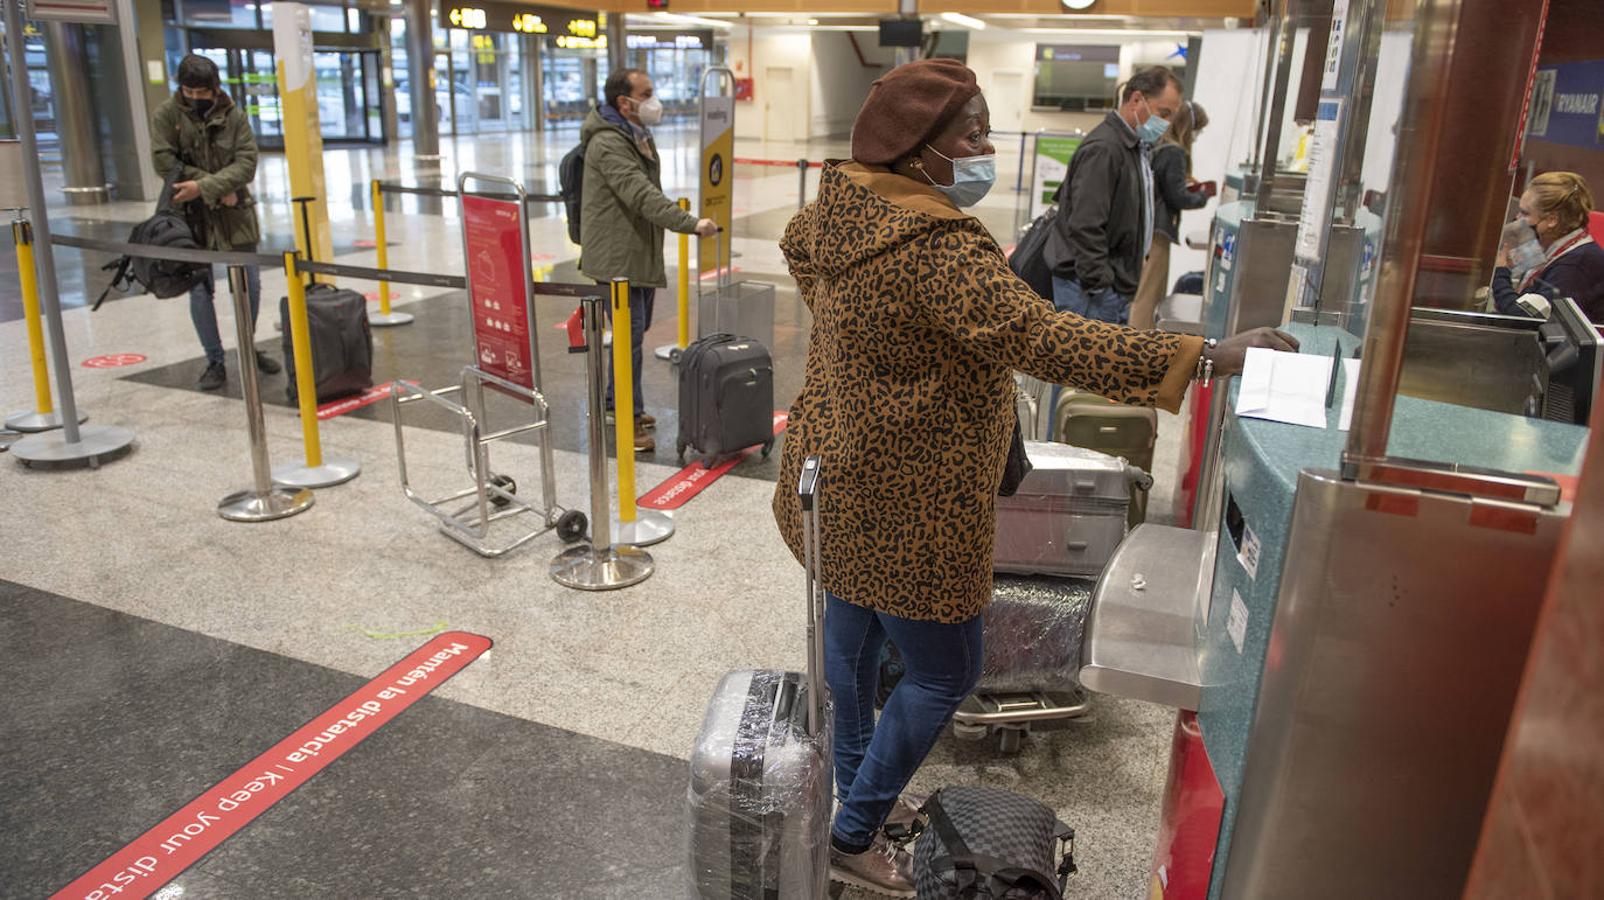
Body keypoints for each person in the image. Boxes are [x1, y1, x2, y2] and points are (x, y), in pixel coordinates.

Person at [772, 59, 1296, 897]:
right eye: (969, 136)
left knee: (856, 647)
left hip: (837, 476)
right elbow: (1049, 338)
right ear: (917, 152)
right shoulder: (936, 248)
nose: (983, 148)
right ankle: (854, 828)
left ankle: (858, 799)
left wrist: (888, 357)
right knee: (945, 671)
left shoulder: (833, 212)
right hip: (913, 496)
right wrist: (1208, 357)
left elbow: (809, 267)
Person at [579, 68, 719, 453]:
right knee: (628, 340)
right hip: (615, 259)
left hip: (633, 252)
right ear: (624, 102)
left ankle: (616, 404)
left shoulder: (635, 135)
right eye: (647, 93)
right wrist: (690, 223)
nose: (654, 100)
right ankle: (626, 417)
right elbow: (641, 194)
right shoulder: (609, 143)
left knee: (633, 336)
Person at [151, 54, 278, 391]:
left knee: (248, 284)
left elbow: (247, 162)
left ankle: (247, 348)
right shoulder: (167, 115)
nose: (196, 98)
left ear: (215, 87)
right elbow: (165, 162)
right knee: (200, 289)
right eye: (189, 91)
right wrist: (213, 189)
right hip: (191, 219)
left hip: (236, 217)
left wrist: (206, 187)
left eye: (202, 92)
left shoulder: (234, 114)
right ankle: (215, 360)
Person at [1044, 66, 1184, 324]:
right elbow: (1085, 224)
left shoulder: (1132, 147)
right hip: (1089, 293)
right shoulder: (1105, 149)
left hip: (1110, 288)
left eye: (1170, 117)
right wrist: (1101, 285)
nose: (1165, 124)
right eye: (1163, 113)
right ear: (1136, 100)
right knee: (1087, 363)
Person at [1131, 101, 1215, 331]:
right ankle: (1139, 347)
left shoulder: (1157, 145)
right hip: (1159, 231)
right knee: (1150, 295)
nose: (1198, 135)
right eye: (1199, 129)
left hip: (1146, 226)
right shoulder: (1175, 151)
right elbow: (1176, 197)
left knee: (1144, 291)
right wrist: (1202, 195)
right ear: (1190, 127)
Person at [1492, 171, 1604, 323]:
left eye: (1525, 213)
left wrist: (1501, 274)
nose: (1518, 219)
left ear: (1552, 220)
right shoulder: (1550, 244)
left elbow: (1525, 319)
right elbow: (1519, 272)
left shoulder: (1575, 266)